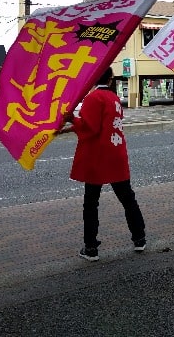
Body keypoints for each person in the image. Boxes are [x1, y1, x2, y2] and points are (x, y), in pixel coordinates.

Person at [57, 66, 146, 261]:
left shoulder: (92, 98)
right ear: (111, 79)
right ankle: (139, 238)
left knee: (91, 203)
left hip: (97, 157)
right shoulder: (114, 98)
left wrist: (71, 119)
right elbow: (99, 125)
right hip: (116, 154)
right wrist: (70, 128)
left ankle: (91, 248)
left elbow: (90, 128)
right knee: (128, 199)